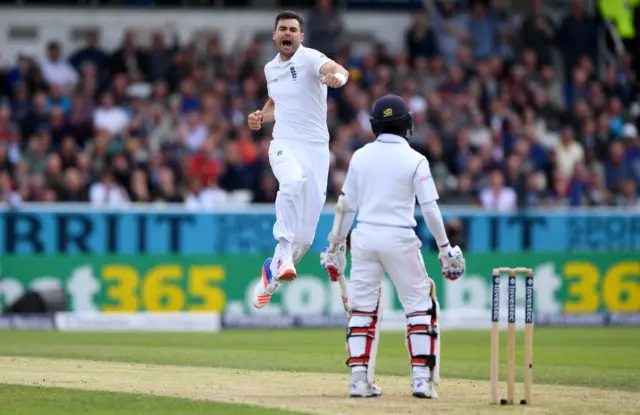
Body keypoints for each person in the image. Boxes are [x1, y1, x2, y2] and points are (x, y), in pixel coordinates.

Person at [320, 94, 466, 399]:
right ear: (406, 125)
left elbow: (346, 207)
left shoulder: (360, 156)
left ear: (375, 125)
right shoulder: (416, 159)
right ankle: (421, 380)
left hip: (365, 238)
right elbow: (430, 210)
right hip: (400, 238)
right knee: (419, 307)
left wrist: (336, 248)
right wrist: (444, 248)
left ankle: (359, 381)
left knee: (361, 310)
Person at [247, 11, 350, 309]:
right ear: (275, 35)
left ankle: (272, 273)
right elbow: (276, 102)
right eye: (282, 29)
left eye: (293, 29)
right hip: (284, 144)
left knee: (304, 237)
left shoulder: (310, 58)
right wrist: (261, 116)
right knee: (291, 181)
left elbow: (339, 69)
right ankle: (281, 249)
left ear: (301, 36)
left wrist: (338, 78)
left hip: (316, 150)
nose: (287, 33)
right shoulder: (270, 69)